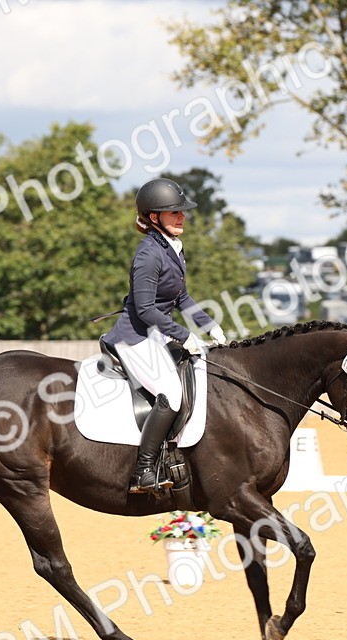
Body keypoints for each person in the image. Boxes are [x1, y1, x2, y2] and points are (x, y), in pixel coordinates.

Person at [101, 178, 225, 494]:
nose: (182, 217)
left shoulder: (172, 249)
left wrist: (209, 325)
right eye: (174, 213)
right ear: (154, 217)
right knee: (171, 393)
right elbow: (144, 309)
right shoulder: (148, 254)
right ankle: (143, 470)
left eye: (182, 212)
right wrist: (183, 334)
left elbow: (180, 297)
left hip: (155, 335)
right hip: (135, 337)